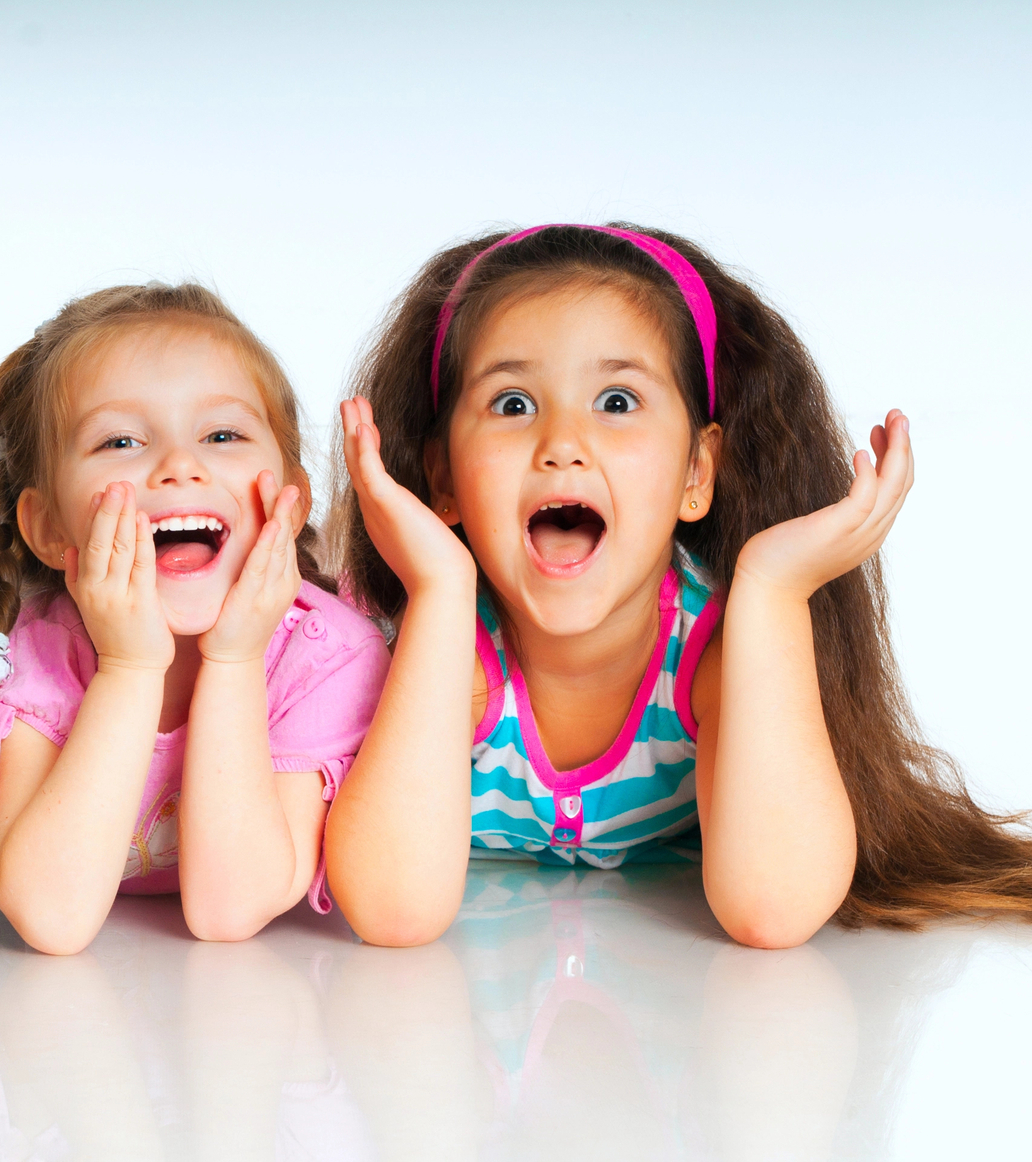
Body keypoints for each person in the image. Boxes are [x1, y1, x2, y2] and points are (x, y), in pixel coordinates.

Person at [325, 223, 1032, 949]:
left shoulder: (715, 655)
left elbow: (773, 908)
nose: (562, 444)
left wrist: (774, 590)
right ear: (442, 477)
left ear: (697, 472)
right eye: (513, 404)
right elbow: (391, 910)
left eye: (617, 402)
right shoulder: (443, 651)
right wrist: (438, 590)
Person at [0, 282, 389, 955]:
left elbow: (231, 909)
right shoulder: (39, 646)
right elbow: (50, 917)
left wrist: (234, 659)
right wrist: (129, 667)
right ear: (51, 527)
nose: (179, 465)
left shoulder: (331, 656)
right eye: (120, 442)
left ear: (291, 497)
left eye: (221, 434)